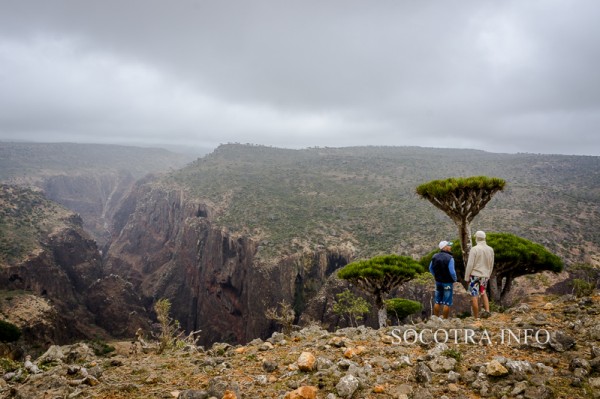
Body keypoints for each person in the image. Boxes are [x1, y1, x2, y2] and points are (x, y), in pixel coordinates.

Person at [464, 230, 495, 319]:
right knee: (483, 292)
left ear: (476, 238)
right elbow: (491, 264)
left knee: (474, 295)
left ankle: (476, 317)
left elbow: (470, 265)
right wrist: (488, 274)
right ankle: (487, 312)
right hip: (485, 275)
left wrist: (467, 277)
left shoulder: (475, 249)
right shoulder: (490, 249)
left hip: (475, 275)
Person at [429, 240, 457, 319]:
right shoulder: (450, 258)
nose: (450, 247)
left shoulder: (434, 256)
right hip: (447, 282)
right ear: (445, 247)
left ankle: (436, 319)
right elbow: (452, 272)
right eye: (449, 246)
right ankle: (445, 320)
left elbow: (430, 268)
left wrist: (436, 276)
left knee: (437, 301)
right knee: (447, 302)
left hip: (438, 282)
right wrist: (454, 279)